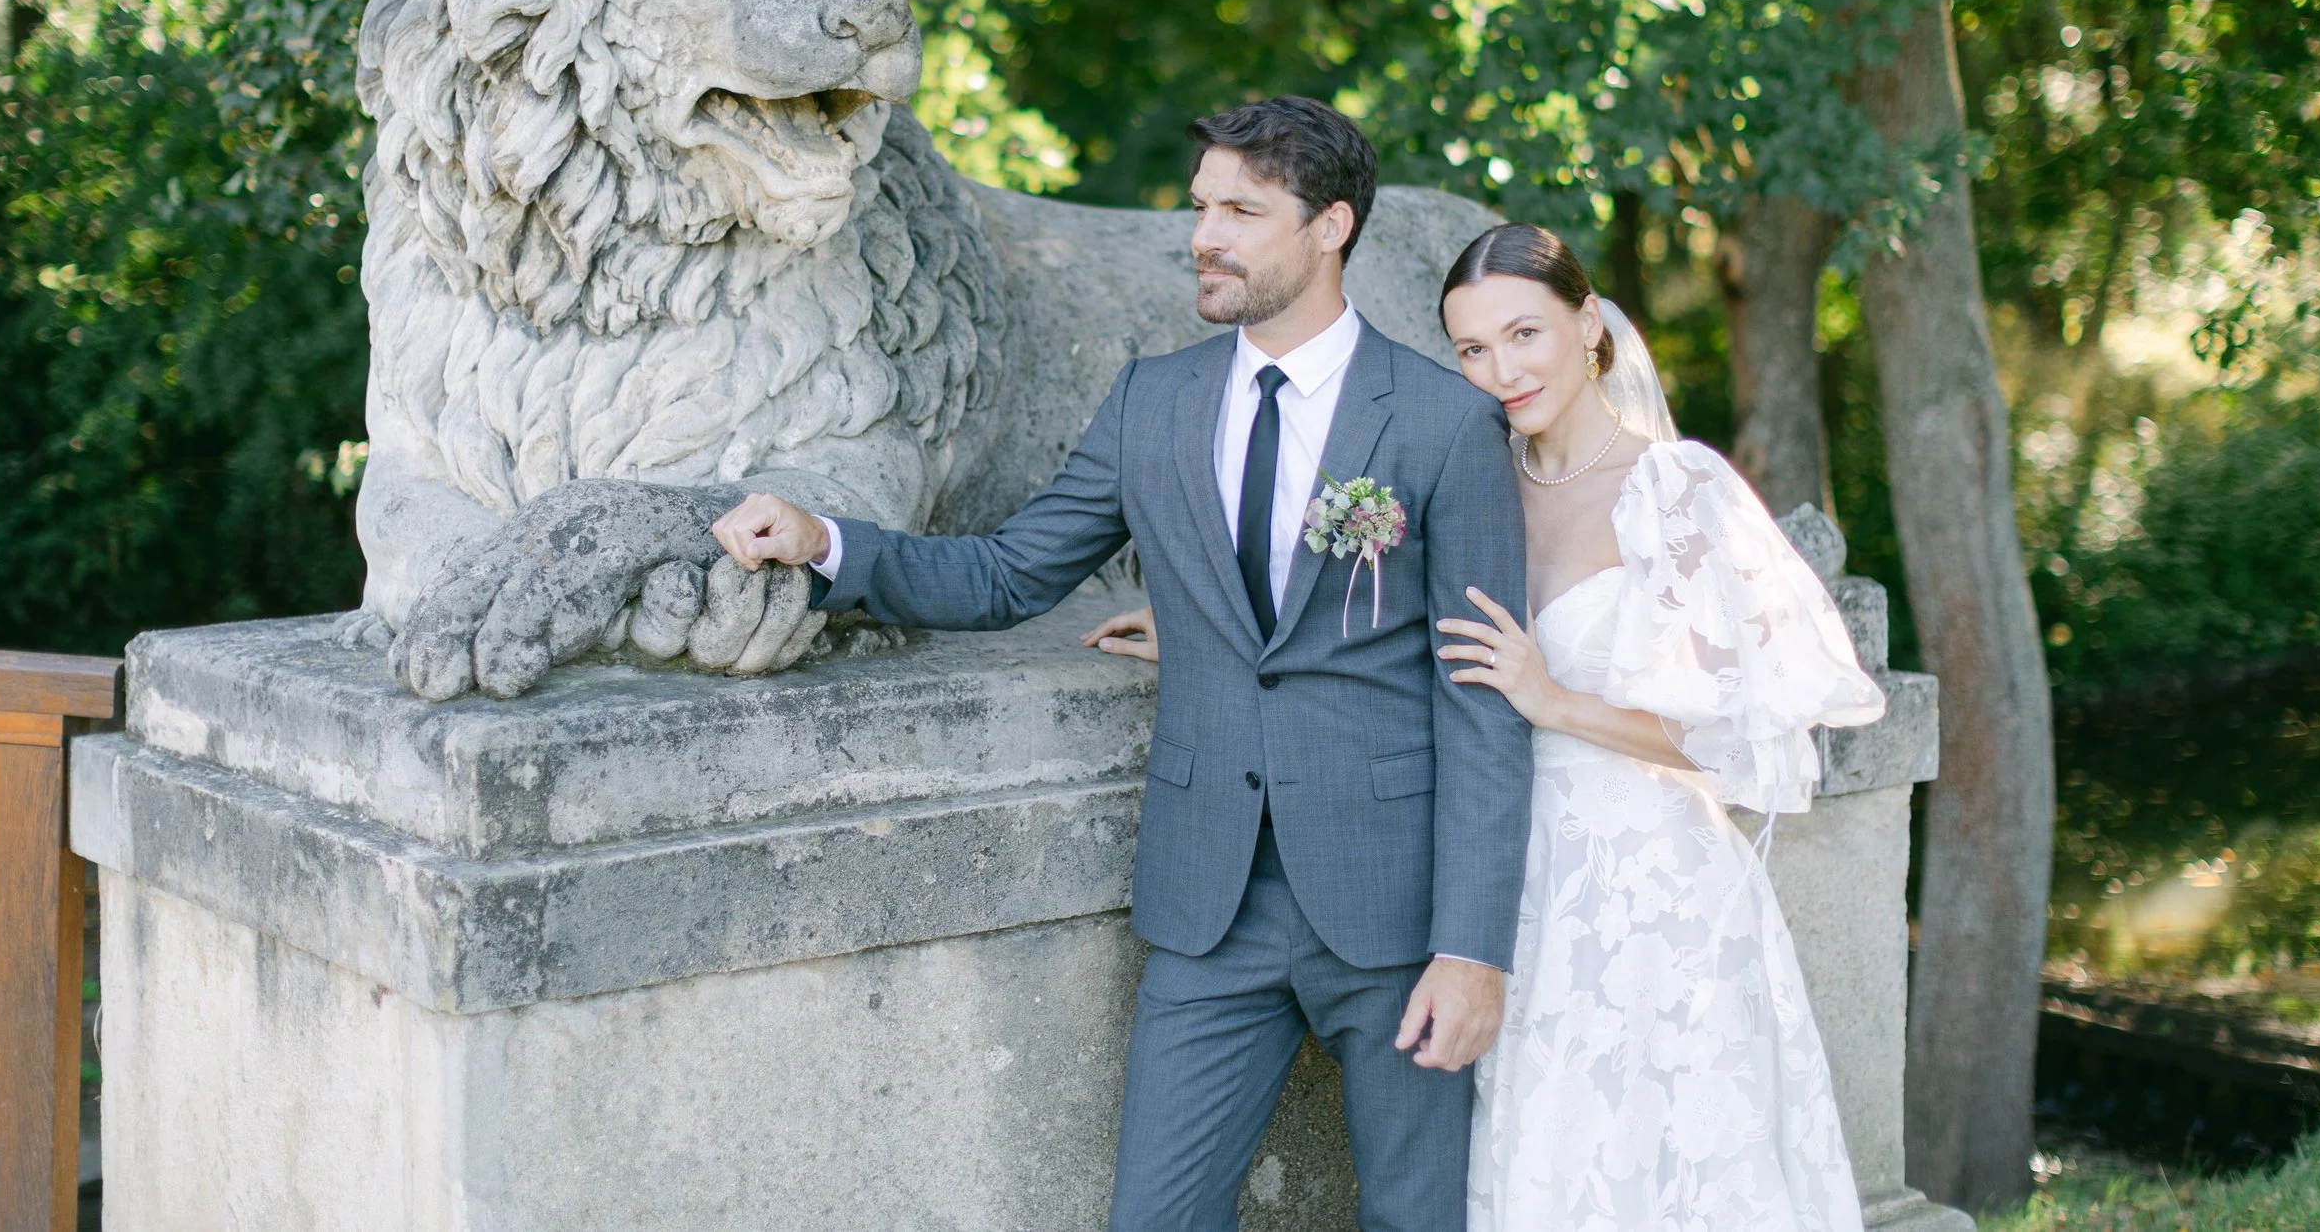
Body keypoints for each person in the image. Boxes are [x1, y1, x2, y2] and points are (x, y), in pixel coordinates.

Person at [711, 96, 1534, 1232]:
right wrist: (827, 542)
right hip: (1209, 911)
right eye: (1200, 206)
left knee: (1413, 1215)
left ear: (1332, 224)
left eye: (1243, 210)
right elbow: (1007, 574)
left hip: (1395, 910)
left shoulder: (1445, 421)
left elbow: (1482, 699)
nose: (1205, 234)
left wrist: (1472, 947)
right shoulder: (1154, 400)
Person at [1433, 223, 1886, 1232]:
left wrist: (1554, 701)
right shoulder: (1472, 489)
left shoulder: (1675, 490)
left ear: (1588, 324)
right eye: (1471, 350)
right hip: (1515, 885)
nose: (1500, 369)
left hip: (1659, 893)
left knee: (1678, 1163)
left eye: (1523, 333)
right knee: (1552, 1158)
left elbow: (1739, 738)